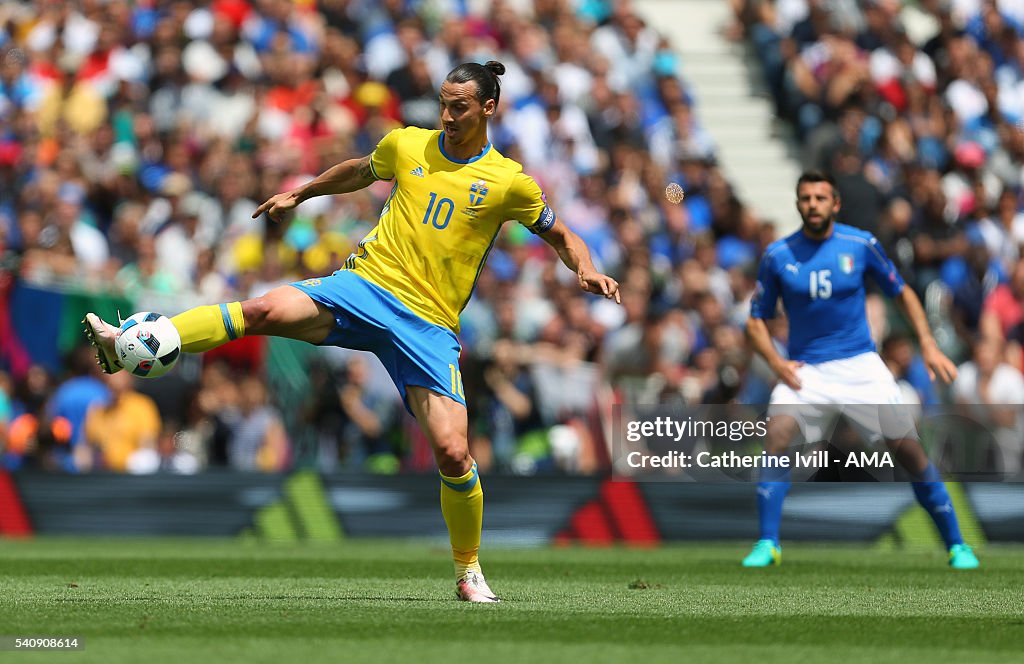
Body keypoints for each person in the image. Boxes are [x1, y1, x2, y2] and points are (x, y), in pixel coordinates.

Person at [83, 61, 620, 602]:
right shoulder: (408, 145)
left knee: (455, 454)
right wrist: (302, 193)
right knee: (264, 310)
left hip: (429, 326)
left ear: (487, 108)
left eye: (459, 106)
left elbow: (561, 233)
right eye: (442, 103)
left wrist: (586, 268)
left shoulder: (508, 181)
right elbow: (361, 170)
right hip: (364, 287)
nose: (447, 115)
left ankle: (469, 571)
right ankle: (126, 338)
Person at [744, 171, 979, 570]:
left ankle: (957, 545)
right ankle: (768, 543)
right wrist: (776, 361)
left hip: (859, 365)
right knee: (777, 437)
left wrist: (926, 342)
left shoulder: (860, 243)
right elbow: (755, 319)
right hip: (808, 371)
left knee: (908, 451)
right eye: (805, 198)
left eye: (820, 197)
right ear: (798, 204)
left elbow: (901, 291)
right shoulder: (779, 256)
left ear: (835, 204)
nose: (812, 204)